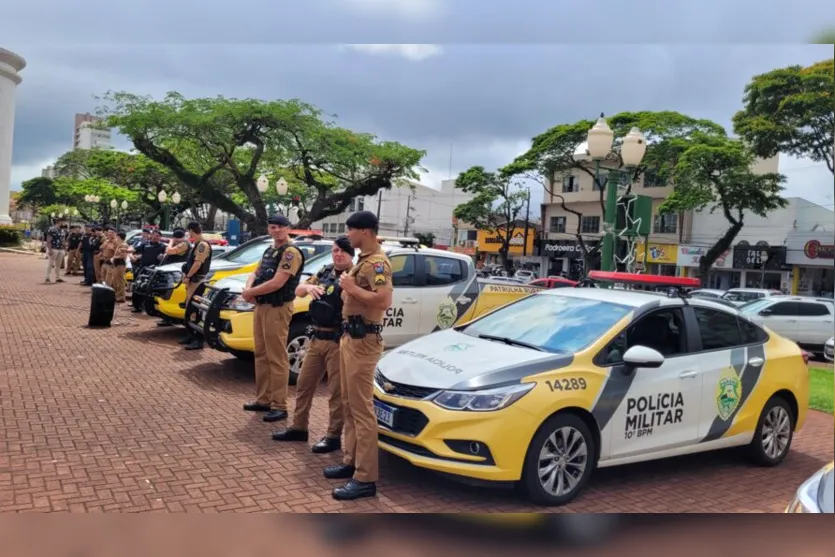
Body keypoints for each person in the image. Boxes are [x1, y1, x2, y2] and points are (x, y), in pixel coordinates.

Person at [324, 211, 392, 501]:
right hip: (351, 337)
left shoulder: (377, 263)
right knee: (349, 404)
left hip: (364, 340)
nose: (347, 236)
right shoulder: (363, 261)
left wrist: (351, 289)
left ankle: (365, 478)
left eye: (350, 231)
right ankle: (351, 461)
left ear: (364, 231)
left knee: (362, 409)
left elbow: (384, 300)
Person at [271, 236, 354, 453]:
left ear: (351, 254)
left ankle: (333, 436)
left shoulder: (354, 275)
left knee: (336, 392)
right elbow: (298, 290)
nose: (338, 254)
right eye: (335, 250)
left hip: (338, 340)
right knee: (304, 384)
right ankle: (299, 427)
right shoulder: (325, 272)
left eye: (343, 251)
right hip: (316, 338)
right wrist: (308, 289)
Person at [242, 214, 305, 423]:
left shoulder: (290, 253)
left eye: (279, 227)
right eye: (272, 227)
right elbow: (256, 271)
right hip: (261, 306)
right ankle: (263, 400)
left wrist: (250, 293)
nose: (275, 230)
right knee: (260, 354)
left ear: (288, 228)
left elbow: (278, 282)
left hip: (277, 308)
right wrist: (249, 289)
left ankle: (280, 405)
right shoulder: (270, 250)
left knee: (276, 357)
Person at [178, 222, 213, 350]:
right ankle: (190, 335)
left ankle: (198, 339)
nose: (189, 234)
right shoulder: (197, 244)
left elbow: (198, 264)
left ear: (192, 231)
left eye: (189, 232)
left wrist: (188, 276)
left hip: (197, 282)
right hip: (193, 281)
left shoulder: (202, 245)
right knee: (189, 309)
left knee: (194, 310)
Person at [156, 228, 191, 327]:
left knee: (170, 295)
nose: (175, 240)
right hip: (170, 272)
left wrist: (170, 242)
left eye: (176, 238)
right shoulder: (179, 243)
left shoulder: (184, 244)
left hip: (176, 274)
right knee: (165, 295)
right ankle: (166, 317)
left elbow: (169, 251)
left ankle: (170, 318)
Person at [131, 229, 167, 313]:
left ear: (160, 237)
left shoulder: (162, 246)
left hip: (155, 271)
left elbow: (167, 254)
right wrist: (127, 251)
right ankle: (137, 306)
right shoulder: (145, 244)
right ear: (151, 236)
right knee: (138, 287)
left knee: (150, 289)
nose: (155, 237)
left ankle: (150, 308)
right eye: (154, 235)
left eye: (158, 236)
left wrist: (163, 256)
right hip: (143, 269)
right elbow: (134, 250)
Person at [107, 231, 130, 303]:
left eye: (117, 237)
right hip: (116, 264)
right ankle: (117, 295)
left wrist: (114, 258)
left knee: (120, 281)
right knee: (115, 280)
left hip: (120, 264)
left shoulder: (124, 245)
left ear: (119, 237)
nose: (116, 238)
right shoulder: (119, 245)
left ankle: (121, 297)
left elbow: (123, 256)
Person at [44, 217, 67, 284]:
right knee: (51, 263)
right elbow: (49, 240)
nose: (63, 223)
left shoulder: (62, 231)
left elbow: (63, 240)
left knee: (58, 264)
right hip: (54, 248)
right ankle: (47, 277)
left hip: (60, 249)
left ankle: (58, 277)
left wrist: (65, 249)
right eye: (62, 222)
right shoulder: (51, 230)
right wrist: (50, 249)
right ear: (59, 222)